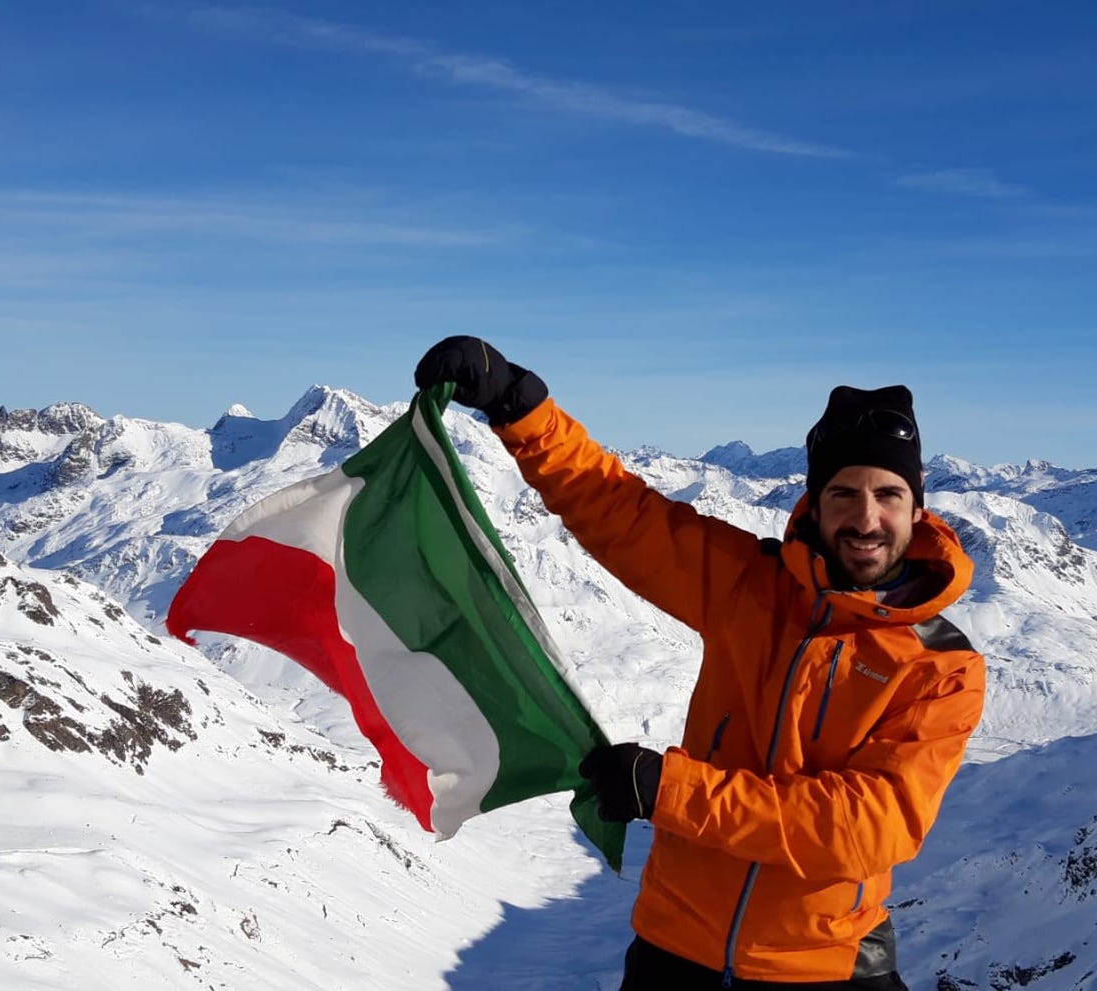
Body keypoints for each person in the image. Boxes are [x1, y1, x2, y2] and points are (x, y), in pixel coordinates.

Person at [415, 336, 986, 990]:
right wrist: (519, 405)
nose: (866, 517)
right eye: (843, 494)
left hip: (817, 966)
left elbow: (863, 826)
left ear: (917, 508)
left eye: (887, 494)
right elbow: (622, 514)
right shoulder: (751, 584)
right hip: (672, 946)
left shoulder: (942, 665)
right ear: (814, 505)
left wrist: (668, 790)